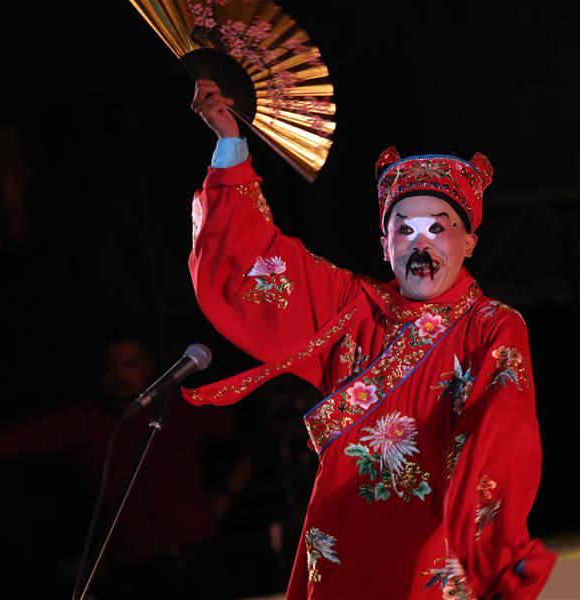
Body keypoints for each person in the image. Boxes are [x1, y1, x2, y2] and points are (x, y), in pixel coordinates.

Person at [187, 79, 556, 599]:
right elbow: (252, 262)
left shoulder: (491, 326)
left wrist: (488, 543)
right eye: (404, 230)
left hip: (432, 549)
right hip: (345, 543)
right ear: (384, 246)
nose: (420, 245)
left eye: (439, 229)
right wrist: (230, 142)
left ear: (470, 242)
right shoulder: (353, 308)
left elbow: (502, 432)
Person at [0, 334, 248, 598]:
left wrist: (226, 493)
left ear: (149, 366)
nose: (119, 375)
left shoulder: (184, 409)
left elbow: (250, 438)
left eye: (129, 364)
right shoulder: (88, 421)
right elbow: (10, 440)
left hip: (201, 555)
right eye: (110, 367)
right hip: (136, 570)